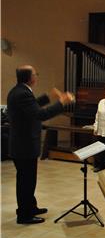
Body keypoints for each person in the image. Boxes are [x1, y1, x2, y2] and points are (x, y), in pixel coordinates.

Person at [7, 65, 74, 224]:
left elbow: (32, 107)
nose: (37, 76)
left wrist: (48, 97)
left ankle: (30, 207)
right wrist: (61, 102)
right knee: (26, 181)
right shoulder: (22, 93)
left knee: (29, 179)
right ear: (30, 78)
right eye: (36, 74)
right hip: (24, 146)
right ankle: (24, 215)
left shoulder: (19, 91)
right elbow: (40, 114)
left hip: (23, 145)